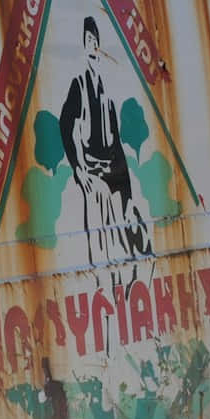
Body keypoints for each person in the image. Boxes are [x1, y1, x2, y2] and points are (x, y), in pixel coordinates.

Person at [58, 17, 152, 295]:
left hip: (113, 172)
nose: (92, 47)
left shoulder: (107, 93)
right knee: (99, 242)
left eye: (95, 42)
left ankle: (123, 290)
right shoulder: (79, 85)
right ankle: (102, 292)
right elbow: (65, 124)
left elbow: (117, 142)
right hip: (93, 174)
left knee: (121, 237)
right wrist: (78, 169)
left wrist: (127, 189)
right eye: (87, 41)